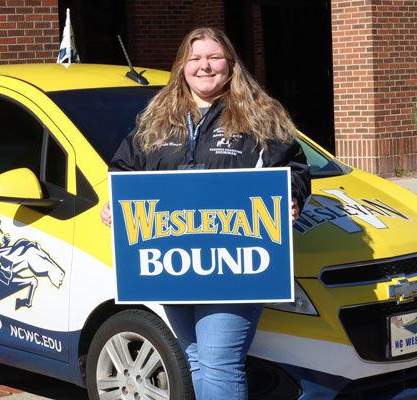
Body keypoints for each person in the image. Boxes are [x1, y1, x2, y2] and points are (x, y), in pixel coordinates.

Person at [101, 27, 310, 399]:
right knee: (196, 357)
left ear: (230, 65)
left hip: (235, 259)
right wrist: (116, 204)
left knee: (218, 360)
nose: (205, 66)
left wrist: (290, 197)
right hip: (171, 257)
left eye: (214, 57)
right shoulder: (157, 117)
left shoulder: (260, 114)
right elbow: (124, 169)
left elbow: (292, 167)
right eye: (195, 59)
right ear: (182, 66)